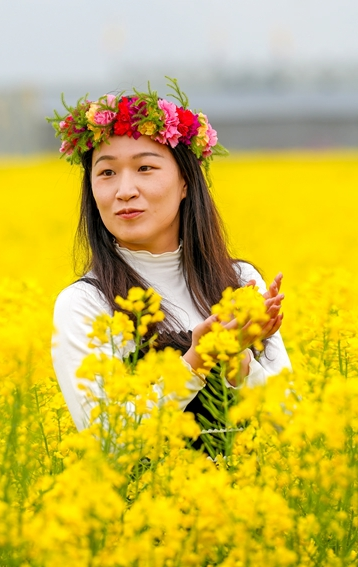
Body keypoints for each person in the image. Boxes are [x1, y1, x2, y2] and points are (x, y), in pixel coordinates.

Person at [49, 80, 293, 454]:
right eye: (107, 173)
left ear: (184, 182)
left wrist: (238, 362)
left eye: (145, 167)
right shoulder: (84, 304)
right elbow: (108, 443)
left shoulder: (241, 283)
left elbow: (292, 428)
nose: (124, 190)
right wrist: (195, 363)